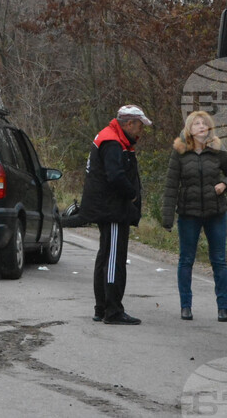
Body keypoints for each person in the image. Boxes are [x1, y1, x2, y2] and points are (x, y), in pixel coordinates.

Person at [161, 110, 227, 323]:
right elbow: (171, 186)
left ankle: (223, 308)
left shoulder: (217, 150)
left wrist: (225, 184)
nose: (202, 127)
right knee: (186, 260)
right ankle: (185, 306)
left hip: (216, 213)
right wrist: (167, 218)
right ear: (189, 128)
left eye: (205, 123)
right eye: (197, 124)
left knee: (219, 261)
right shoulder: (180, 152)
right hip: (189, 214)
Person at [78, 104, 151, 325]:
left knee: (105, 256)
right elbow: (116, 176)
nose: (141, 131)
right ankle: (112, 310)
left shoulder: (112, 137)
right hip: (113, 210)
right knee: (113, 259)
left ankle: (101, 308)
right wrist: (132, 195)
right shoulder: (112, 141)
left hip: (107, 207)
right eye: (139, 126)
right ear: (128, 124)